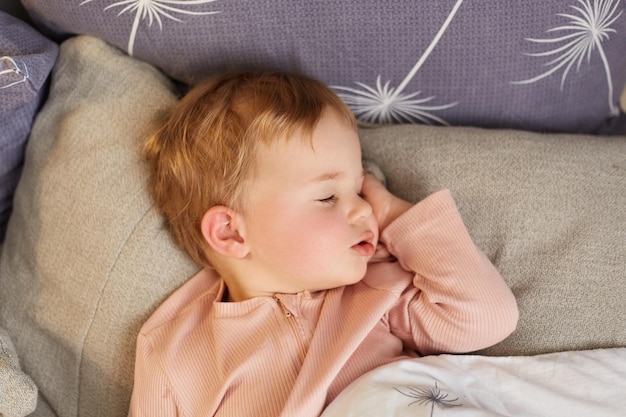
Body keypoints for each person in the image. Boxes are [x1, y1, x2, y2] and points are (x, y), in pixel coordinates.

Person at [128, 70, 518, 417]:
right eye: (328, 196)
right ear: (231, 232)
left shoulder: (375, 291)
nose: (364, 209)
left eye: (359, 188)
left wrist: (395, 214)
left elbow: (486, 317)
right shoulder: (173, 347)